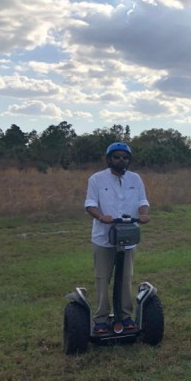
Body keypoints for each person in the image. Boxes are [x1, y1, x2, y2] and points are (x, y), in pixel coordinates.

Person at [84, 142, 150, 334]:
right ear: (109, 159)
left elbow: (142, 201)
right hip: (103, 237)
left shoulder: (135, 179)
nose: (121, 160)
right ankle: (101, 319)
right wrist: (101, 216)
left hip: (128, 236)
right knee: (103, 278)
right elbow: (90, 204)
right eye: (117, 156)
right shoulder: (96, 179)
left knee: (126, 278)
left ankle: (126, 316)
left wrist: (143, 213)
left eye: (125, 157)